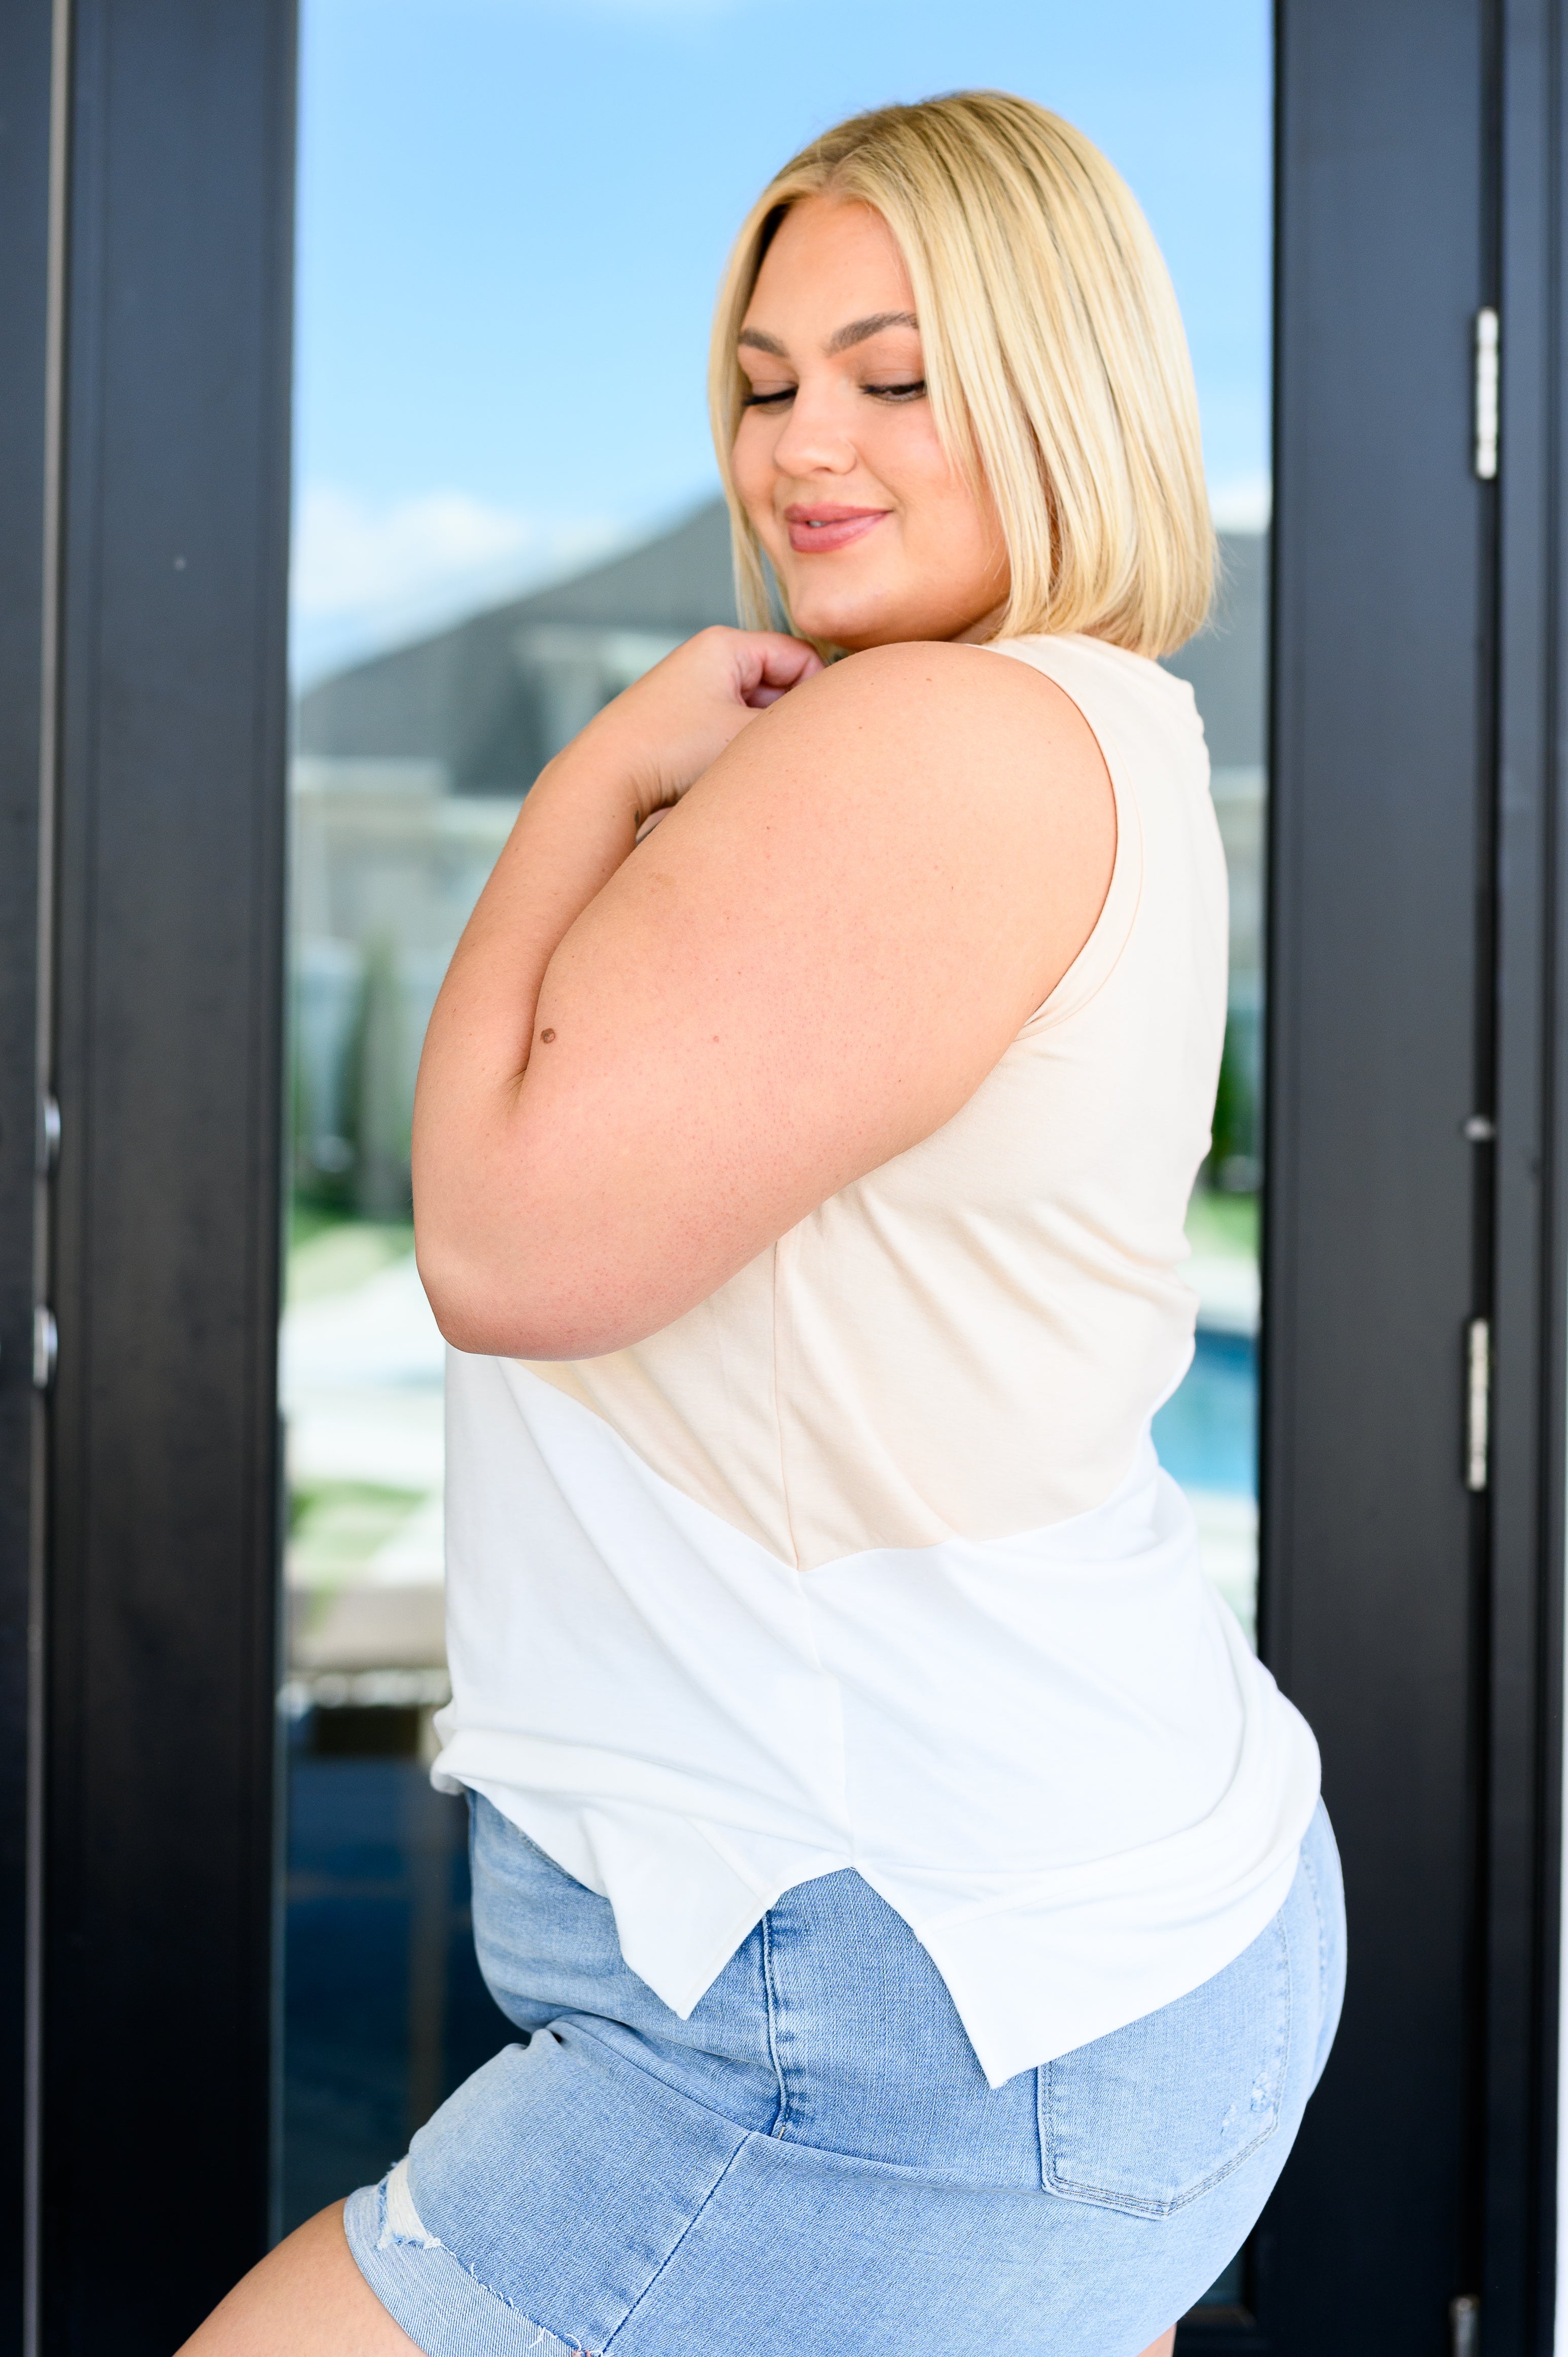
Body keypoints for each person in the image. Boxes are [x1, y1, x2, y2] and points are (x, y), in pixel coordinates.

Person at [186, 90, 1341, 2357]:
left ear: (1060, 386)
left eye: (893, 377)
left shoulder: (935, 747)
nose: (802, 442)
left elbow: (504, 1245)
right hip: (1103, 1939)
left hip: (893, 2029)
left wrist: (584, 780)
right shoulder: (1109, 737)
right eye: (762, 379)